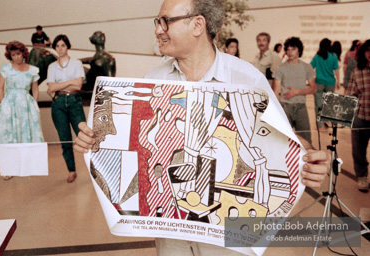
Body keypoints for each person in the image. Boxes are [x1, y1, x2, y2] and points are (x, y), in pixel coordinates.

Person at [74, 0, 330, 255]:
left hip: (227, 234)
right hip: (170, 230)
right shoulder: (153, 80)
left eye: (165, 21)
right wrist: (92, 141)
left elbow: (281, 138)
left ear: (197, 25)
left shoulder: (247, 79)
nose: (158, 29)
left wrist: (309, 157)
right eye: (157, 22)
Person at [0, 41, 44, 180]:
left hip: (26, 104)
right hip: (10, 103)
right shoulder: (6, 68)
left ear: (23, 53)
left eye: (18, 54)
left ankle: (28, 165)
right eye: (13, 55)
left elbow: (35, 88)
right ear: (9, 56)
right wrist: (2, 104)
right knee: (9, 134)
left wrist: (34, 104)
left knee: (27, 132)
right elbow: (0, 87)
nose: (16, 57)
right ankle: (8, 168)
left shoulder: (32, 69)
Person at [47, 34, 86, 183]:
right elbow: (51, 88)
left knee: (83, 136)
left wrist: (60, 84)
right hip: (58, 103)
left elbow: (78, 85)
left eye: (62, 45)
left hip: (74, 101)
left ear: (67, 46)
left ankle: (97, 169)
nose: (60, 48)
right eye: (57, 46)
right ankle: (71, 171)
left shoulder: (76, 64)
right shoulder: (52, 66)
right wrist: (70, 81)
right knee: (65, 140)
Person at [273, 37, 316, 145]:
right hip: (285, 107)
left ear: (299, 50)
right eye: (288, 49)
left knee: (306, 142)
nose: (290, 52)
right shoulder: (281, 68)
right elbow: (276, 92)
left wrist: (296, 92)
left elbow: (313, 88)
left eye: (293, 49)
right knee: (281, 141)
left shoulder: (307, 67)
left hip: (301, 107)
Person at [346, 39, 370, 192]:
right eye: (368, 51)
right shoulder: (357, 72)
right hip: (361, 117)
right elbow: (351, 94)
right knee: (358, 150)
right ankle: (362, 176)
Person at [311, 38, 340, 129]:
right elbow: (336, 69)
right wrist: (338, 81)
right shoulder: (333, 56)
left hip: (319, 82)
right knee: (330, 104)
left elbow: (310, 66)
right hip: (330, 82)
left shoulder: (317, 56)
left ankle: (319, 125)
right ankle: (330, 122)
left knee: (318, 105)